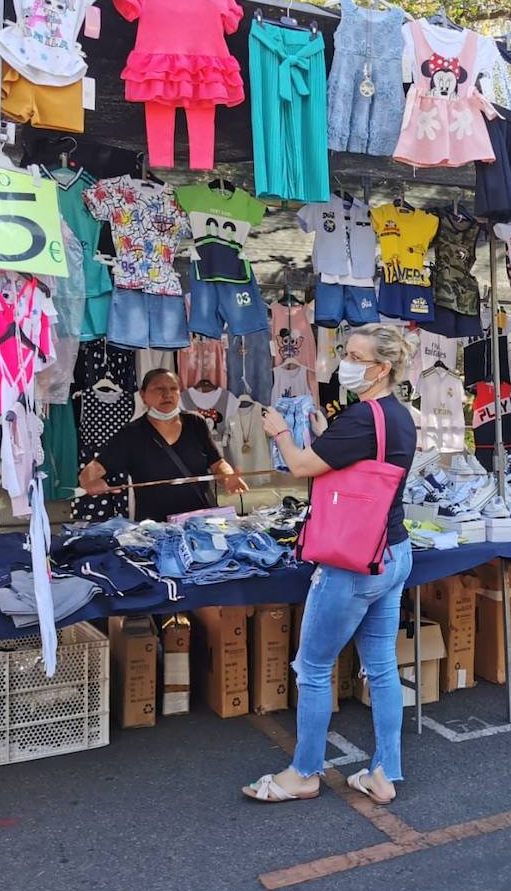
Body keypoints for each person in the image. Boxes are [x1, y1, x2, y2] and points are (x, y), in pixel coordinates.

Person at [243, 323, 418, 806]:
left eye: (357, 356)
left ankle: (304, 772)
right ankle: (384, 771)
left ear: (381, 367)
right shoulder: (397, 416)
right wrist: (327, 435)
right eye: (347, 352)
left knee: (314, 667)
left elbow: (300, 466)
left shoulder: (362, 419)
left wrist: (280, 432)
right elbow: (363, 462)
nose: (348, 362)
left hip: (352, 560)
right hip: (392, 551)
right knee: (381, 665)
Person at [77, 368, 246, 520]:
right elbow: (91, 471)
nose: (167, 394)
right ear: (143, 395)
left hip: (199, 522)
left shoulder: (195, 423)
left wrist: (228, 476)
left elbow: (217, 463)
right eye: (159, 389)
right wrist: (89, 482)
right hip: (155, 528)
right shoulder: (131, 433)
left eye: (173, 388)